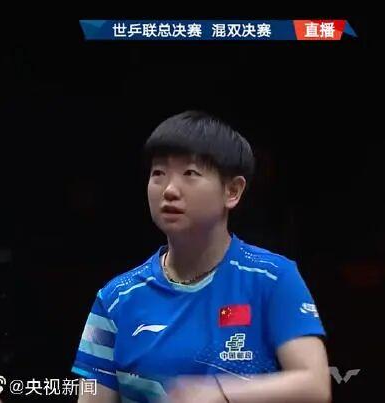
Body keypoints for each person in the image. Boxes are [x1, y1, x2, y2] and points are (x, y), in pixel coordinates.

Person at [72, 111, 330, 402]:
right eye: (158, 173)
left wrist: (221, 393)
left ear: (232, 191)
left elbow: (315, 385)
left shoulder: (273, 278)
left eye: (190, 173)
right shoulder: (114, 299)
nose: (169, 190)